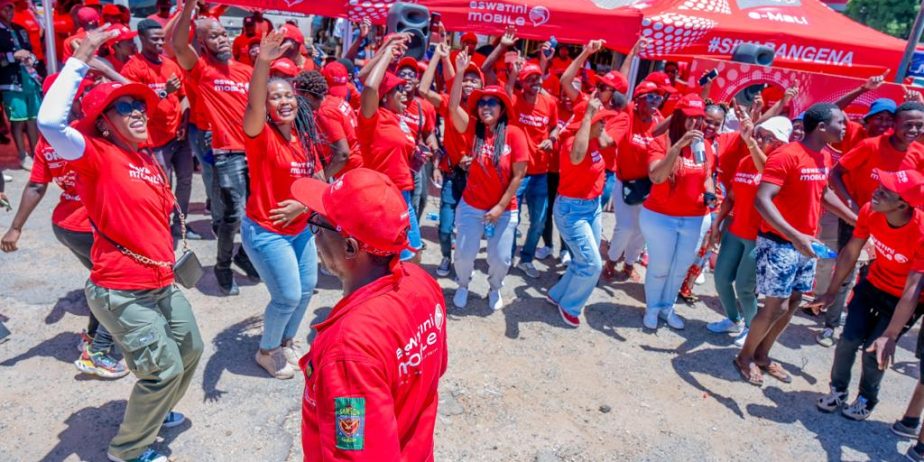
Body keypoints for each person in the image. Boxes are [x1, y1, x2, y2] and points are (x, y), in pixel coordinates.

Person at [38, 27, 203, 462]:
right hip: (122, 289)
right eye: (124, 108)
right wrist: (81, 58)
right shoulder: (95, 155)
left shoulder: (145, 157)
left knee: (190, 350)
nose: (137, 112)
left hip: (161, 281)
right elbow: (49, 123)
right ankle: (128, 451)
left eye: (138, 106)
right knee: (162, 369)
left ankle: (155, 412)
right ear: (104, 124)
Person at [291, 167, 447, 460]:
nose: (315, 237)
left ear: (350, 247)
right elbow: (433, 371)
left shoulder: (348, 348)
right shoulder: (421, 282)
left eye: (318, 224)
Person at [1, 72, 128, 379]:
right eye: (83, 92)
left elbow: (36, 186)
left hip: (67, 226)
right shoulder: (92, 132)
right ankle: (97, 351)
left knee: (103, 281)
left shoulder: (49, 140)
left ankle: (95, 338)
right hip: (90, 227)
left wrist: (16, 227)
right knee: (117, 283)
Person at [735, 103, 856, 386]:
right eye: (840, 122)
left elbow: (823, 193)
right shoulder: (786, 155)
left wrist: (857, 220)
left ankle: (762, 355)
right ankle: (744, 357)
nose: (845, 127)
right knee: (775, 306)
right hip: (779, 242)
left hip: (806, 244)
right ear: (822, 127)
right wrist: (794, 236)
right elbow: (762, 200)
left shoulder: (824, 156)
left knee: (793, 303)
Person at [240, 32, 322, 380]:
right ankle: (267, 351)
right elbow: (254, 105)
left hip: (299, 230)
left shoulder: (304, 138)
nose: (284, 101)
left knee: (305, 290)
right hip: (267, 231)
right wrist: (263, 62)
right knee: (287, 295)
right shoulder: (260, 135)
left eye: (288, 95)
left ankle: (285, 340)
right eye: (275, 97)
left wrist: (301, 206)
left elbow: (320, 182)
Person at [812, 170, 924, 421]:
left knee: (875, 350)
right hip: (873, 284)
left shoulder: (921, 232)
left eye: (885, 192)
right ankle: (838, 390)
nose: (876, 192)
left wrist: (890, 335)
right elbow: (851, 252)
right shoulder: (870, 211)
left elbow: (913, 288)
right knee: (848, 340)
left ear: (902, 204)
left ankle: (866, 398)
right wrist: (831, 292)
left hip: (903, 299)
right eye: (879, 186)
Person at [819, 102, 924, 346]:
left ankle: (858, 331)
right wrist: (851, 205)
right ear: (895, 124)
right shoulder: (870, 146)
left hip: (892, 226)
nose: (914, 130)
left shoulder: (919, 153)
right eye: (908, 124)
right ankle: (830, 326)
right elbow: (836, 172)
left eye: (919, 126)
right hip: (861, 217)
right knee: (846, 269)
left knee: (871, 277)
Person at [173, 0, 260, 295]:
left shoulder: (245, 71)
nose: (221, 39)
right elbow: (178, 44)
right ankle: (223, 267)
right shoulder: (201, 69)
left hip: (254, 152)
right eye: (213, 36)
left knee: (257, 213)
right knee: (233, 215)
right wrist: (189, 7)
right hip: (227, 152)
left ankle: (243, 256)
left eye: (223, 34)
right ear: (202, 43)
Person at [447, 51, 527, 310]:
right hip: (472, 206)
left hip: (503, 210)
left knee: (501, 260)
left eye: (493, 102)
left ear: (502, 109)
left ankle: (494, 287)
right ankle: (463, 284)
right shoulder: (474, 129)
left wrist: (500, 208)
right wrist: (459, 72)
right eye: (482, 102)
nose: (486, 106)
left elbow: (519, 175)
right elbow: (452, 108)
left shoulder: (514, 134)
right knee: (463, 256)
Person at [707, 116, 791, 347]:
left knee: (745, 287)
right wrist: (717, 224)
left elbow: (766, 170)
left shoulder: (780, 166)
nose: (760, 140)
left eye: (768, 138)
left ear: (780, 143)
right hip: (735, 231)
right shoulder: (745, 161)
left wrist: (752, 144)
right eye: (759, 135)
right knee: (721, 279)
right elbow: (731, 197)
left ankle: (751, 328)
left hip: (758, 238)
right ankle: (733, 319)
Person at [637, 94, 715, 330]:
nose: (696, 123)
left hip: (695, 218)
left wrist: (710, 192)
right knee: (660, 266)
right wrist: (678, 147)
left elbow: (706, 176)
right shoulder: (660, 142)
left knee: (680, 267)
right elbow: (657, 177)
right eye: (690, 117)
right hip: (661, 217)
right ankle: (652, 308)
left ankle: (667, 308)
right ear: (679, 117)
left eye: (700, 118)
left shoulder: (704, 146)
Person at [123, 19, 201, 241]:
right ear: (142, 38)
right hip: (154, 140)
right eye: (154, 39)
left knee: (185, 181)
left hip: (179, 136)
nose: (160, 43)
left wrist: (184, 122)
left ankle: (180, 225)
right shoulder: (133, 68)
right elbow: (134, 107)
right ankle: (161, 226)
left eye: (162, 39)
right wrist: (164, 92)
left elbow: (183, 97)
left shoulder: (171, 65)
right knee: (162, 185)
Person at [547, 98, 617, 326]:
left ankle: (557, 295)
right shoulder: (572, 143)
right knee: (592, 264)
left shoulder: (595, 139)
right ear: (586, 122)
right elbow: (577, 157)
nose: (604, 123)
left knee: (582, 259)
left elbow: (608, 141)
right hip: (572, 210)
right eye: (601, 120)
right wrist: (587, 116)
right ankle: (570, 306)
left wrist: (597, 117)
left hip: (592, 207)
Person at [419, 41, 484, 278]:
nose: (469, 83)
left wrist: (475, 159)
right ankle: (447, 256)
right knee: (445, 229)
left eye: (474, 80)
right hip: (452, 174)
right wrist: (437, 55)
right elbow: (423, 90)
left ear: (482, 86)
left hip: (476, 178)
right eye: (465, 79)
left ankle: (463, 264)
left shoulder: (487, 109)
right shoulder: (449, 103)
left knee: (469, 229)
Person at [357, 34, 422, 262]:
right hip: (382, 197)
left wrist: (415, 159)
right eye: (398, 91)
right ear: (384, 98)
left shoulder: (398, 119)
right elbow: (368, 84)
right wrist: (387, 52)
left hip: (403, 195)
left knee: (412, 255)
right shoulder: (373, 118)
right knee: (391, 259)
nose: (405, 94)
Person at [602, 81, 665, 283]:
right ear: (638, 100)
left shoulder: (658, 119)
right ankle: (611, 261)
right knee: (626, 227)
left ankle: (629, 263)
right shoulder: (628, 114)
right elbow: (620, 90)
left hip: (648, 186)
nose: (655, 102)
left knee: (641, 230)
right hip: (625, 182)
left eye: (659, 98)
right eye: (651, 97)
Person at [395, 56, 439, 220]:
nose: (407, 78)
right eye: (402, 74)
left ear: (417, 81)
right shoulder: (387, 101)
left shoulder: (425, 107)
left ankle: (411, 230)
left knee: (419, 199)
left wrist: (434, 150)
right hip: (393, 162)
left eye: (411, 75)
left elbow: (429, 133)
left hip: (414, 163)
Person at [0, 0, 39, 170]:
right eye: (5, 9)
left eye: (11, 9)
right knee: (18, 120)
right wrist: (13, 56)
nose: (9, 12)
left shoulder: (20, 29)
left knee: (32, 119)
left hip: (29, 80)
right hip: (10, 82)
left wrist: (32, 59)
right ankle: (23, 156)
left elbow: (31, 51)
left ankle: (37, 153)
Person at [312, 65, 361, 178]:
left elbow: (343, 155)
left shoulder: (326, 110)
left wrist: (321, 178)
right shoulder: (339, 100)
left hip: (351, 171)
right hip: (357, 164)